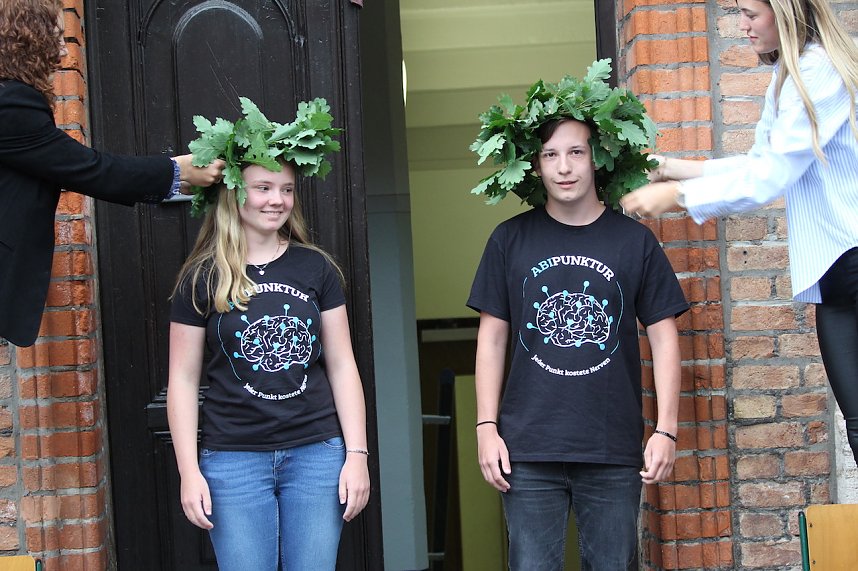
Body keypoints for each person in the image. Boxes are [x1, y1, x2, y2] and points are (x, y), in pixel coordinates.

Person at [620, 0, 858, 466]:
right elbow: (756, 164)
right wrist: (668, 169)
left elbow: (770, 177)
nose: (741, 25)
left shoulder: (818, 73)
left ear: (786, 12)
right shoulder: (788, 78)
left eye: (750, 13)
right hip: (839, 280)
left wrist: (676, 198)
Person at [467, 115, 688, 567]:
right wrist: (486, 428)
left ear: (595, 159)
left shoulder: (635, 242)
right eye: (550, 155)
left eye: (575, 153)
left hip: (611, 447)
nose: (563, 167)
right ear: (535, 166)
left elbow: (665, 339)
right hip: (526, 450)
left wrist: (666, 429)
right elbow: (491, 339)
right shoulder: (509, 240)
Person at [167, 100, 370, 570]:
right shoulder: (201, 277)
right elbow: (181, 378)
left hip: (317, 455)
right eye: (262, 187)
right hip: (233, 459)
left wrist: (356, 455)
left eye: (285, 189)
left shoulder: (315, 267)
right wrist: (189, 471)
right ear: (235, 192)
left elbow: (342, 366)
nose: (276, 199)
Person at [0, 0, 224, 347]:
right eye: (55, 36)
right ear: (27, 38)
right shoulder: (12, 104)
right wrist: (177, 171)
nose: (62, 51)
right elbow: (90, 169)